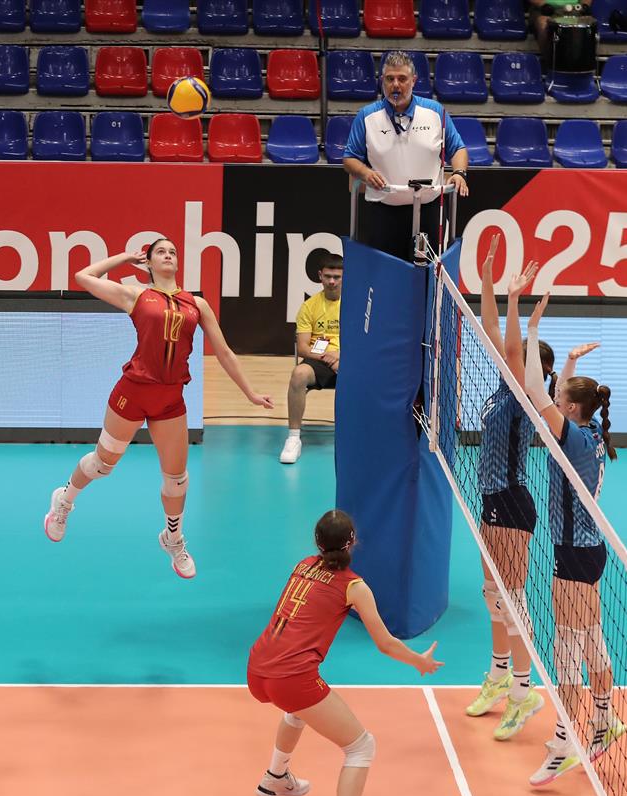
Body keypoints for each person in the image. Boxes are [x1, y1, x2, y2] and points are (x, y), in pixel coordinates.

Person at [44, 238, 274, 578]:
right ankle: (64, 500)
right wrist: (125, 257)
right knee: (102, 465)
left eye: (172, 252)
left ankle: (173, 538)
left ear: (178, 263)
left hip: (170, 399)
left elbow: (224, 352)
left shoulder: (196, 304)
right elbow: (83, 277)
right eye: (160, 252)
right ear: (149, 263)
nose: (168, 255)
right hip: (133, 392)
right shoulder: (136, 295)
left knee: (177, 480)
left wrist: (250, 393)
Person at [247, 510, 443, 796]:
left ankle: (276, 777)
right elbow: (385, 643)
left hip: (257, 667)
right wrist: (419, 662)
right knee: (361, 747)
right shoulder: (355, 586)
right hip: (291, 677)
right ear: (352, 542)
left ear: (317, 542)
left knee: (298, 709)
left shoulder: (302, 565)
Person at [522, 295, 626, 786]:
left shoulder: (574, 440)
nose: (554, 397)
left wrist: (534, 325)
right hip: (588, 551)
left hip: (575, 554)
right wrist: (568, 361)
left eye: (561, 397)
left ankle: (565, 741)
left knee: (567, 648)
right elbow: (557, 394)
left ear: (570, 409)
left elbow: (533, 390)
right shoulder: (589, 434)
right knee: (592, 640)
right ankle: (604, 721)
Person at [465, 236, 556, 742]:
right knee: (492, 594)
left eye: (516, 358)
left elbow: (513, 344)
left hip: (512, 502)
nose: (507, 355)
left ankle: (524, 692)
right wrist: (488, 280)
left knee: (513, 599)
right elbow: (492, 330)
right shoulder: (504, 387)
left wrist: (516, 298)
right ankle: (499, 674)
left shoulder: (525, 397)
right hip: (490, 499)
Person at [342, 51, 469, 264]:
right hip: (384, 212)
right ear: (382, 81)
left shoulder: (435, 112)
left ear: (414, 81)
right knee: (386, 274)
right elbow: (349, 158)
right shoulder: (366, 116)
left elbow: (458, 149)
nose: (396, 85)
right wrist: (365, 172)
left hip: (429, 210)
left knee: (427, 274)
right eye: (390, 79)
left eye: (402, 79)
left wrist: (459, 173)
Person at [281, 253, 342, 465]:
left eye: (337, 277)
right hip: (320, 359)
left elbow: (365, 342)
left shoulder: (357, 305)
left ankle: (363, 433)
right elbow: (303, 348)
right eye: (328, 276)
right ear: (320, 276)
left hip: (350, 358)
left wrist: (342, 356)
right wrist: (330, 358)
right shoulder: (309, 307)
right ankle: (293, 438)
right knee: (299, 374)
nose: (332, 281)